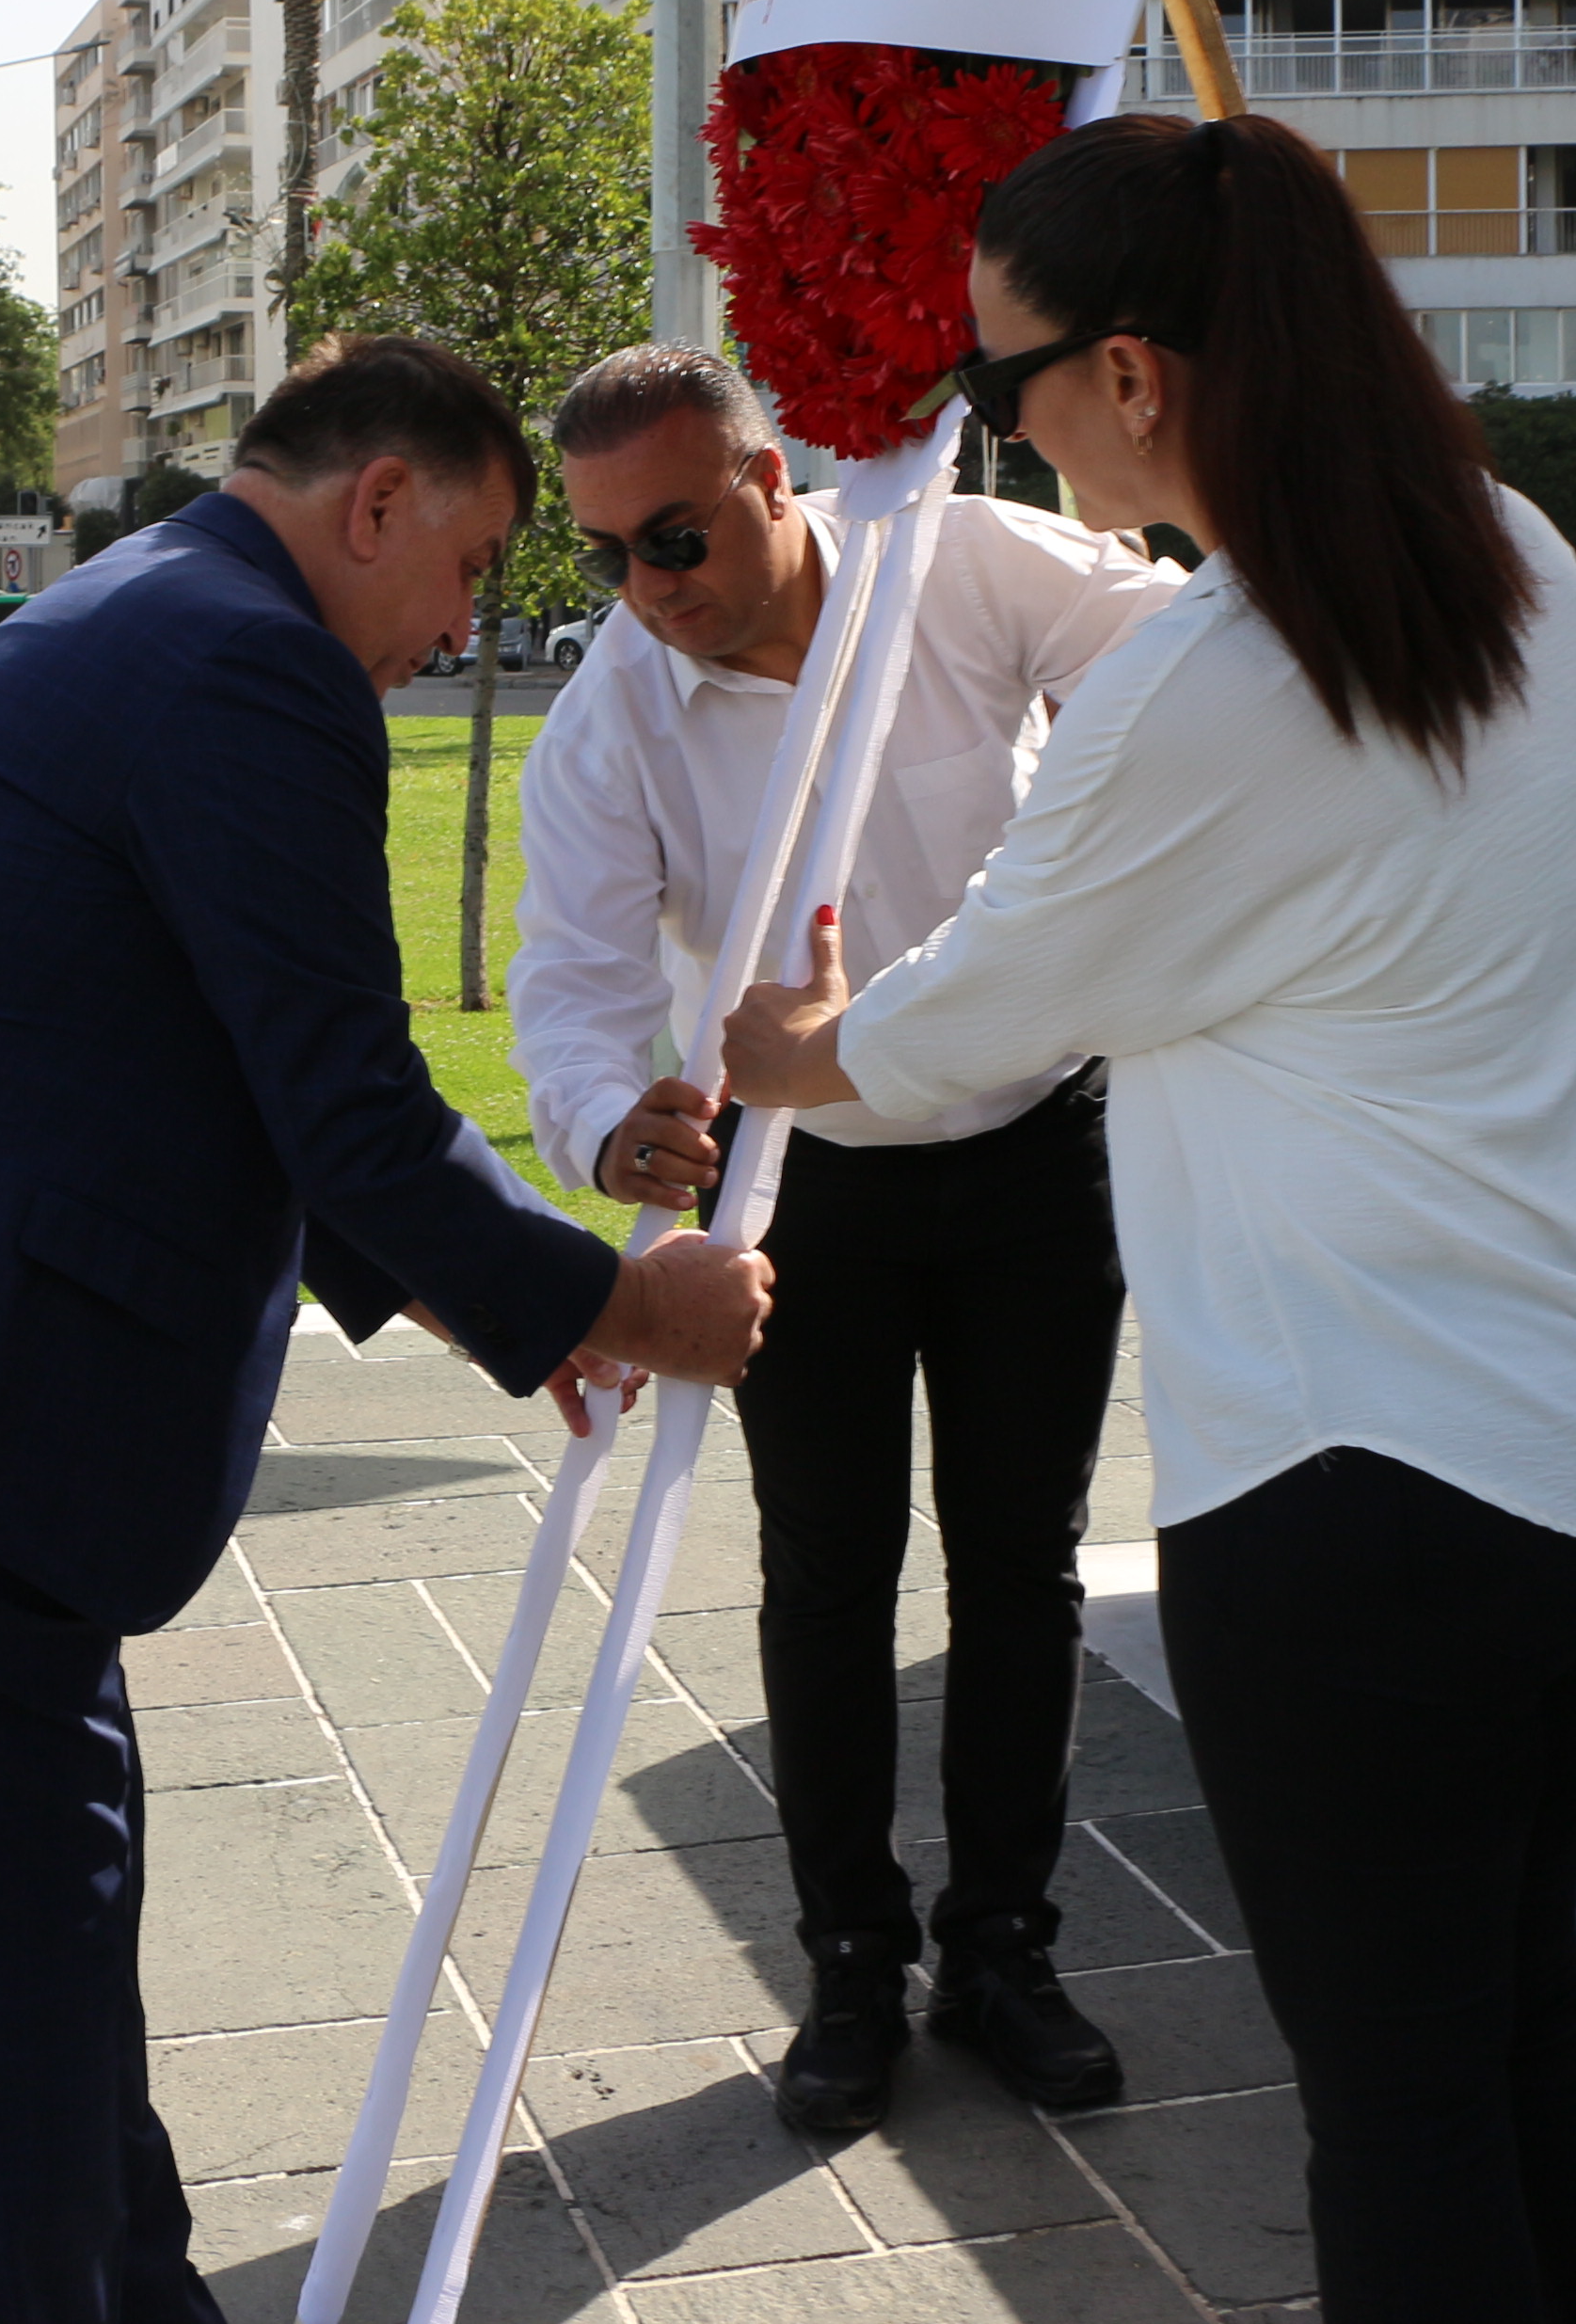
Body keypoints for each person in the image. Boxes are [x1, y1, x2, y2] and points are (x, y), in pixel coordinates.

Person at [0, 333, 774, 2324]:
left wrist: (466, 1281)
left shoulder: (149, 605)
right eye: (479, 561)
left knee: (35, 1953)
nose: (470, 619)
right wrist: (618, 1297)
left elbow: (207, 1048)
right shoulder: (255, 667)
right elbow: (341, 1089)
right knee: (3, 2021)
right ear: (380, 503)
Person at [721, 114, 1576, 2321]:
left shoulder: (1210, 681)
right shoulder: (1512, 550)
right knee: (1509, 2009)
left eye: (1000, 387)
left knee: (1401, 2105)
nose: (994, 430)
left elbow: (967, 1018)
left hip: (1369, 1488)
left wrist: (783, 1042)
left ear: (1134, 375)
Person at [513, 343, 1179, 2135]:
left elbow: (1178, 647)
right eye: (604, 556)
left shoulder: (954, 564)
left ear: (769, 479)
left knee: (1017, 1563)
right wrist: (604, 1118)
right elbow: (571, 976)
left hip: (1038, 1144)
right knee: (824, 1577)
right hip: (790, 1190)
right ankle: (846, 1966)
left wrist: (1104, 861)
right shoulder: (617, 704)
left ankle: (1002, 1952)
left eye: (670, 534)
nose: (648, 590)